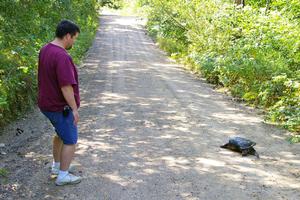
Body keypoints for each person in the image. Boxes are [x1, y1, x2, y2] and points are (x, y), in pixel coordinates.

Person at [38, 20, 81, 186]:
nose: (74, 42)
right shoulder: (62, 56)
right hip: (58, 107)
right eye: (74, 38)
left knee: (60, 134)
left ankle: (57, 166)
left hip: (46, 104)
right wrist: (74, 109)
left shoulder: (45, 49)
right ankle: (63, 176)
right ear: (67, 35)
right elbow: (66, 86)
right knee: (70, 140)